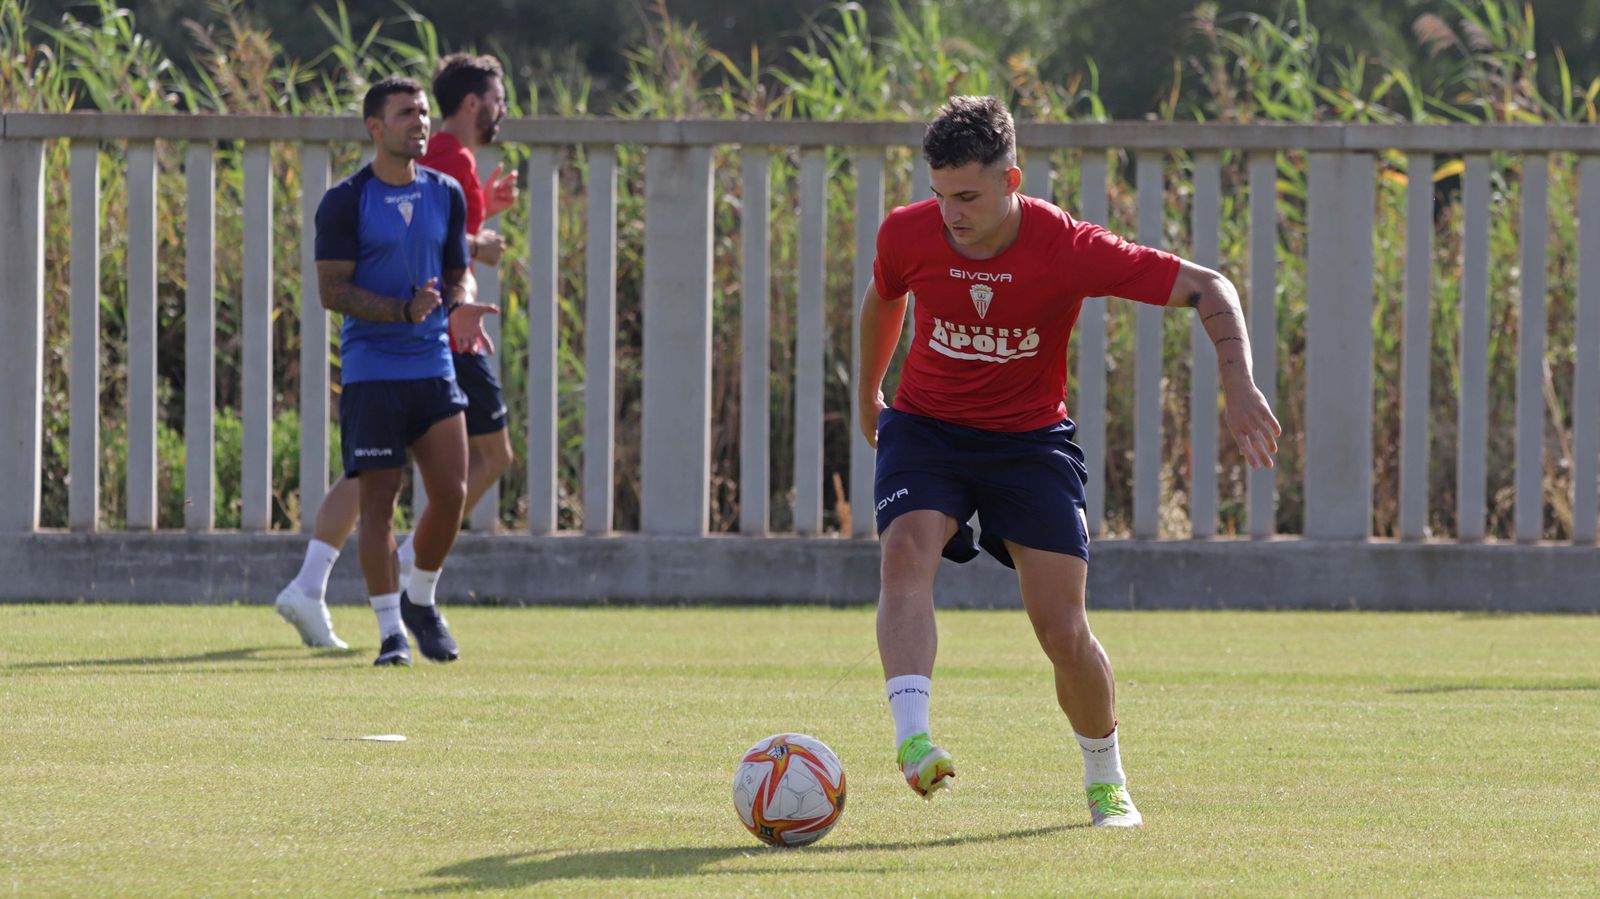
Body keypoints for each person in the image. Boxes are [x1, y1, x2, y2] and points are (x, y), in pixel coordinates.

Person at [858, 96, 1281, 827]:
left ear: (1011, 179)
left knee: (1061, 627)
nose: (951, 213)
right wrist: (869, 388)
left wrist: (1239, 381)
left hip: (1029, 441)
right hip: (927, 428)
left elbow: (1210, 286)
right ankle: (913, 738)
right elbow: (884, 295)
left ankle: (1105, 777)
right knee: (905, 552)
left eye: (968, 196)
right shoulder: (908, 232)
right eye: (939, 194)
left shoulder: (1066, 246)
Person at [275, 57, 517, 655]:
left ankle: (411, 590)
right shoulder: (346, 200)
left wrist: (458, 303)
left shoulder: (449, 189)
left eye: (423, 113)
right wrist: (403, 309)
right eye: (407, 113)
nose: (420, 123)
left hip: (435, 356)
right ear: (374, 127)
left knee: (454, 486)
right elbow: (332, 291)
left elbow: (453, 265)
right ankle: (389, 627)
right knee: (379, 488)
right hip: (374, 368)